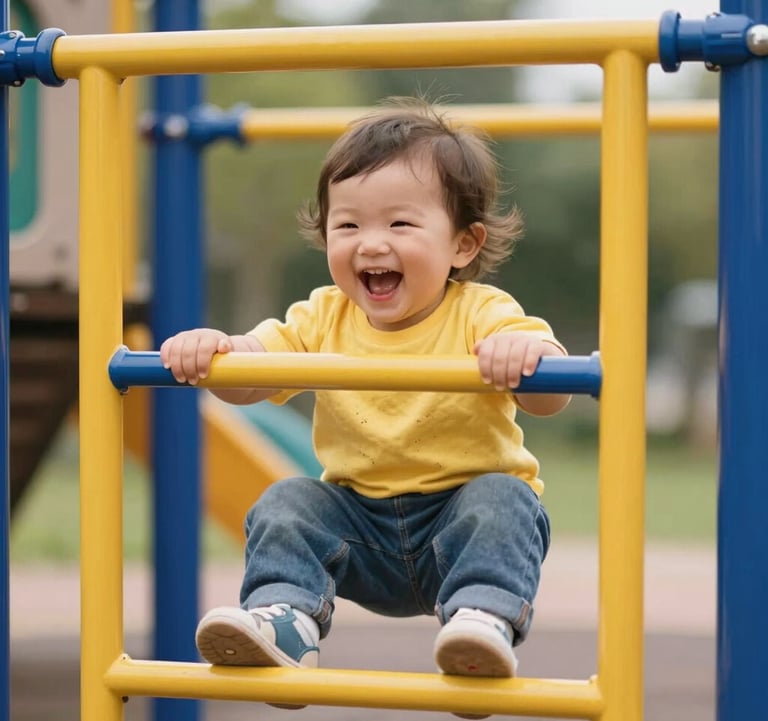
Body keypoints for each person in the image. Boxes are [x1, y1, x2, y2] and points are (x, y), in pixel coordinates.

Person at [160, 97, 570, 699]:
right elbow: (250, 376)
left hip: (457, 529)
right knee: (290, 501)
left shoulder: (483, 313)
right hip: (358, 531)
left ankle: (481, 623)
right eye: (347, 226)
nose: (370, 244)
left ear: (463, 244)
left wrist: (526, 360)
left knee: (503, 499)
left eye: (400, 225)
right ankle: (287, 625)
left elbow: (551, 395)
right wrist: (215, 351)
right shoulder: (324, 314)